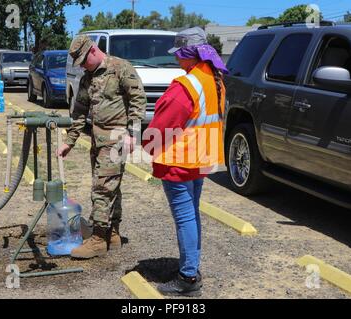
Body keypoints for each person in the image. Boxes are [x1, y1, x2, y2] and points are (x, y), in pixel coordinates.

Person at [143, 27, 228, 297]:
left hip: (181, 161)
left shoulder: (186, 86)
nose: (177, 60)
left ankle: (188, 277)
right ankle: (191, 266)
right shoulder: (213, 80)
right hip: (201, 159)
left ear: (189, 55)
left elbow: (163, 125)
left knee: (185, 217)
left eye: (179, 54)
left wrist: (146, 145)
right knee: (191, 214)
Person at [58, 36, 147, 259]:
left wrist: (133, 134)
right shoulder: (87, 77)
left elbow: (138, 100)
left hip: (117, 139)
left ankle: (98, 239)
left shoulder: (120, 68)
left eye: (83, 60)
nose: (82, 66)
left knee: (102, 187)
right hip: (98, 141)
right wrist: (70, 141)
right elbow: (79, 111)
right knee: (111, 186)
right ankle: (113, 234)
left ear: (93, 51)